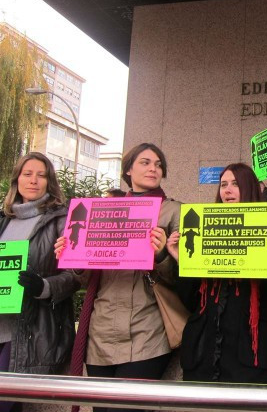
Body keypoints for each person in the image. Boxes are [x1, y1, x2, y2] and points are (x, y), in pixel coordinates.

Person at [54, 143, 181, 412]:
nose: (153, 168)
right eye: (145, 162)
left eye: (158, 165)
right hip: (100, 335)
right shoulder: (102, 211)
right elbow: (87, 279)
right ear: (128, 169)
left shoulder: (173, 212)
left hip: (147, 333)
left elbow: (184, 278)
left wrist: (160, 256)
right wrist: (72, 257)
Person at [170, 163, 267, 384]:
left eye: (235, 184)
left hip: (253, 358)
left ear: (249, 188)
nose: (227, 190)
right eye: (223, 184)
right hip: (205, 356)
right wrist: (182, 260)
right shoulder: (200, 232)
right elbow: (190, 301)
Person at [0, 153, 77, 412]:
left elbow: (75, 276)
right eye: (27, 174)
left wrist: (43, 287)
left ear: (50, 182)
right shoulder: (3, 220)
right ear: (17, 180)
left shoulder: (62, 220)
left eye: (41, 175)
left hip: (29, 333)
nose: (34, 180)